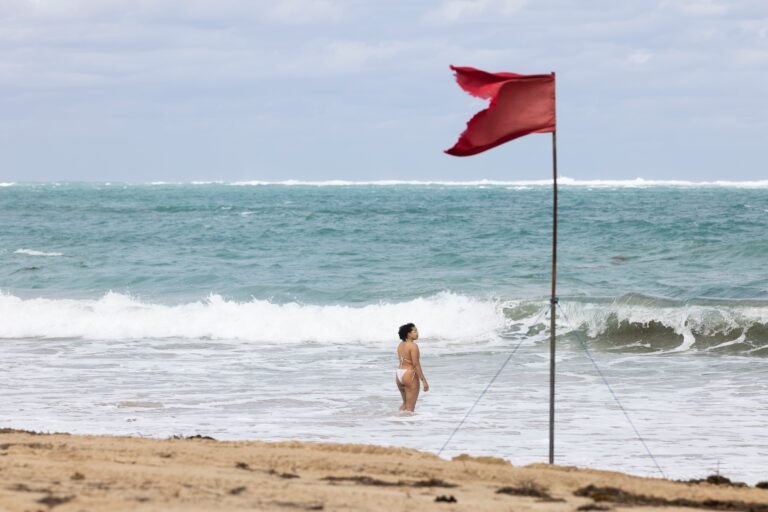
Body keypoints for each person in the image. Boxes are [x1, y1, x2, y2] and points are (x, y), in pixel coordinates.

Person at [395, 323, 429, 412]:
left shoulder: (400, 345)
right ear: (408, 333)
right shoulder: (413, 346)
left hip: (399, 374)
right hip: (409, 374)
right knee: (410, 409)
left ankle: (396, 422)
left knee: (405, 404)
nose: (417, 333)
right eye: (414, 331)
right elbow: (416, 364)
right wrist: (424, 381)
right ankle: (406, 425)